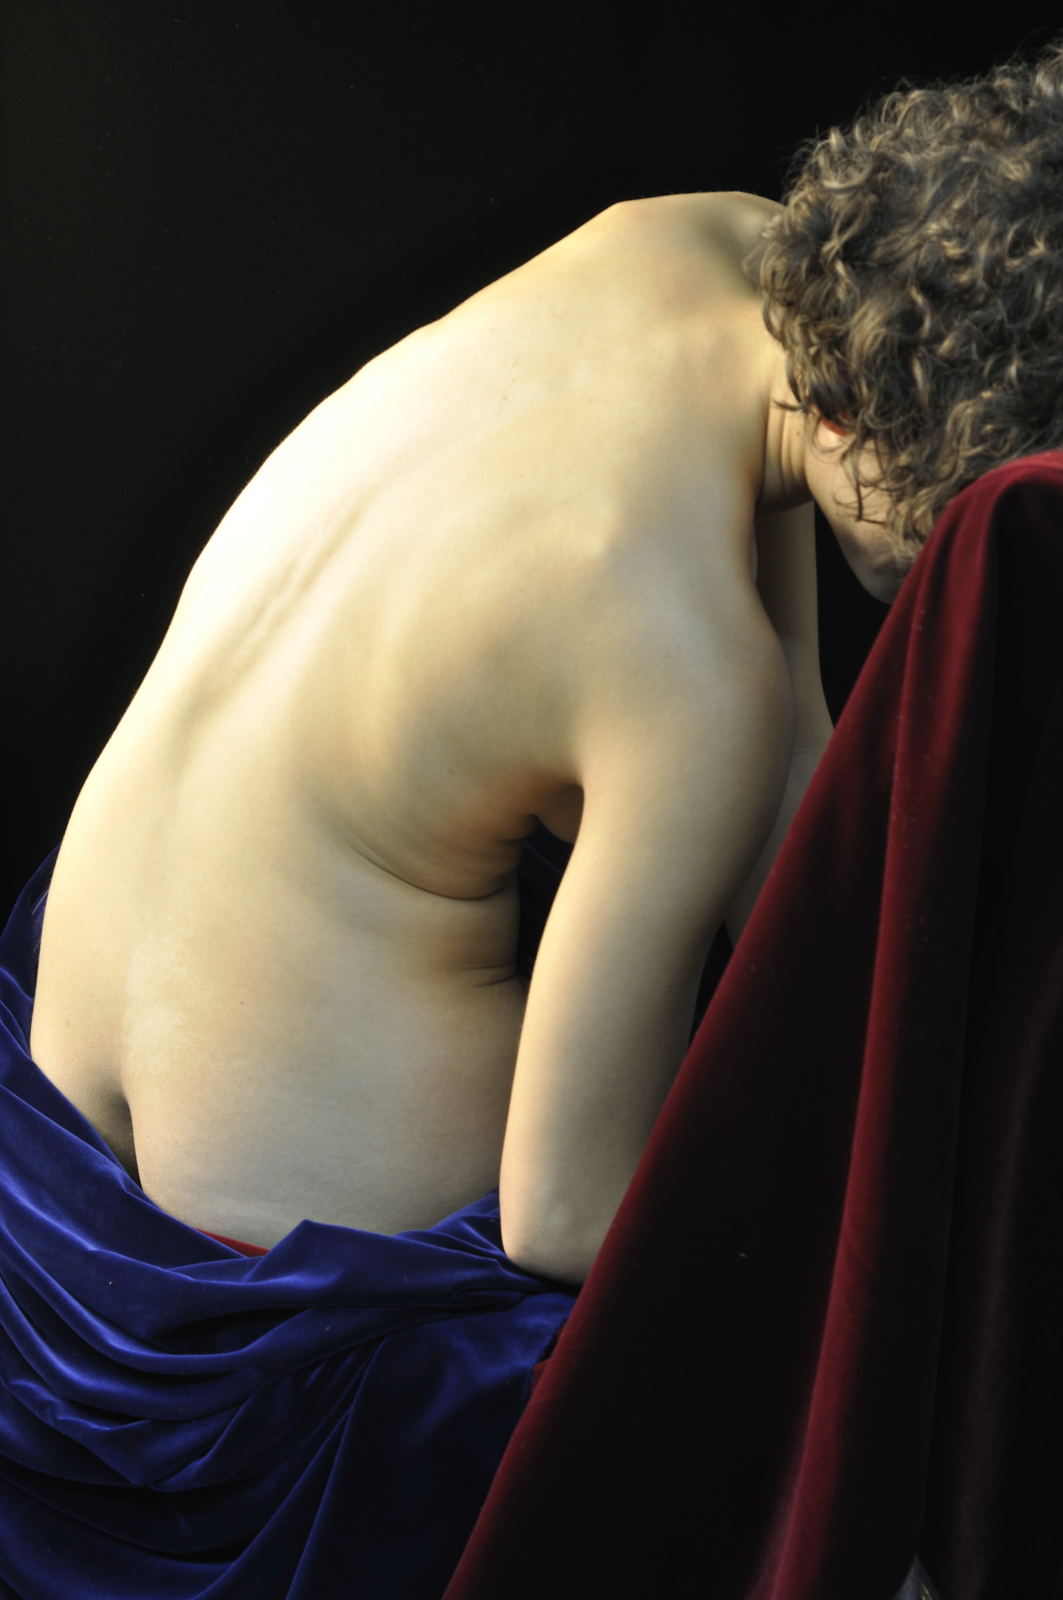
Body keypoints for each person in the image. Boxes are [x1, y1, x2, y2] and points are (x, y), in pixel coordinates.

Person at [25, 41, 1063, 1290]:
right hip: (283, 1265)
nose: (964, 547)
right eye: (966, 503)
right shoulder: (689, 669)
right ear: (865, 420)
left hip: (44, 1104)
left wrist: (909, 1031)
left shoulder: (706, 245)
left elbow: (795, 743)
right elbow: (563, 1214)